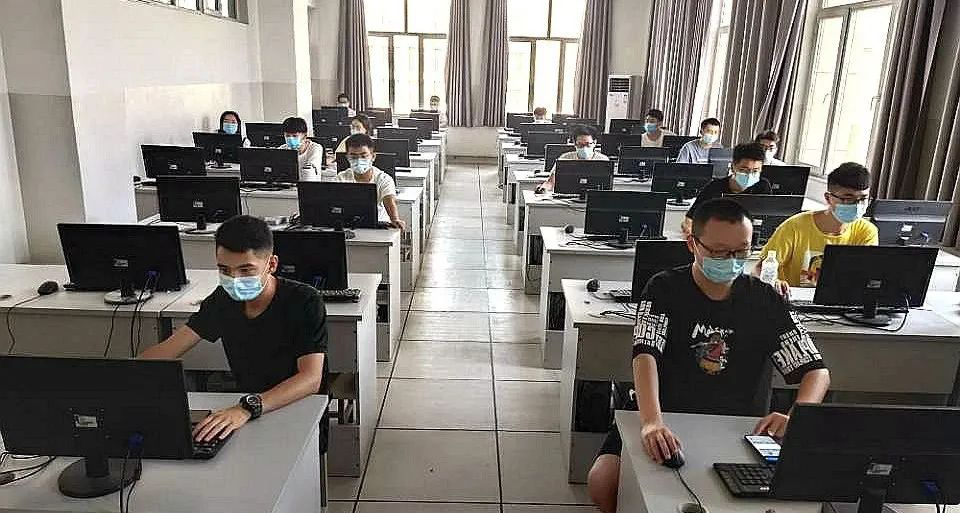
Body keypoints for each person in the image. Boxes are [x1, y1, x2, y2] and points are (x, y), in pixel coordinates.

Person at [586, 198, 830, 513]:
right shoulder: (664, 288)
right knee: (604, 481)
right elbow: (645, 354)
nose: (730, 260)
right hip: (664, 412)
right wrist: (651, 422)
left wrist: (796, 419)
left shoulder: (765, 300)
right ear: (693, 244)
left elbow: (816, 371)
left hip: (739, 423)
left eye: (741, 251)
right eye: (718, 252)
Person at [141, 215, 328, 443]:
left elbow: (310, 379)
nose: (234, 279)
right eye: (224, 270)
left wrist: (247, 408)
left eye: (246, 270)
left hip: (299, 408)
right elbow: (171, 348)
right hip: (247, 411)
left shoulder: (304, 300)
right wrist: (123, 376)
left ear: (271, 264)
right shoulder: (223, 299)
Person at [756, 162, 878, 292]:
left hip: (840, 300)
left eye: (863, 199)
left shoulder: (867, 232)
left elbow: (865, 276)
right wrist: (773, 283)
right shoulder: (795, 226)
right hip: (792, 298)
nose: (857, 205)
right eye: (848, 199)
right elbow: (758, 270)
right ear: (828, 198)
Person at [681, 142, 772, 236]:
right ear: (733, 167)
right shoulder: (714, 187)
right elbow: (690, 218)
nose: (749, 175)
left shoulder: (762, 186)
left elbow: (769, 220)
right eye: (744, 170)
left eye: (755, 171)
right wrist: (689, 228)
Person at [335, 134, 406, 231]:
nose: (359, 160)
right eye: (353, 157)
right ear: (347, 157)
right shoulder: (340, 178)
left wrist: (395, 219)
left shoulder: (384, 179)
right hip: (348, 227)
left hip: (378, 227)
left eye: (363, 156)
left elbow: (389, 200)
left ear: (373, 157)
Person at [536, 125, 609, 192]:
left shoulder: (603, 160)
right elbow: (550, 182)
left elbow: (606, 186)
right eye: (580, 145)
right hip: (566, 197)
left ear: (594, 143)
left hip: (593, 197)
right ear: (574, 144)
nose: (584, 148)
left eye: (587, 144)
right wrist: (544, 187)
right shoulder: (564, 158)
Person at [278, 116, 326, 181]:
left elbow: (309, 174)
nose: (290, 139)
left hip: (308, 185)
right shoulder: (282, 149)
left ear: (305, 136)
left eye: (295, 136)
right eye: (287, 136)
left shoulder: (315, 148)